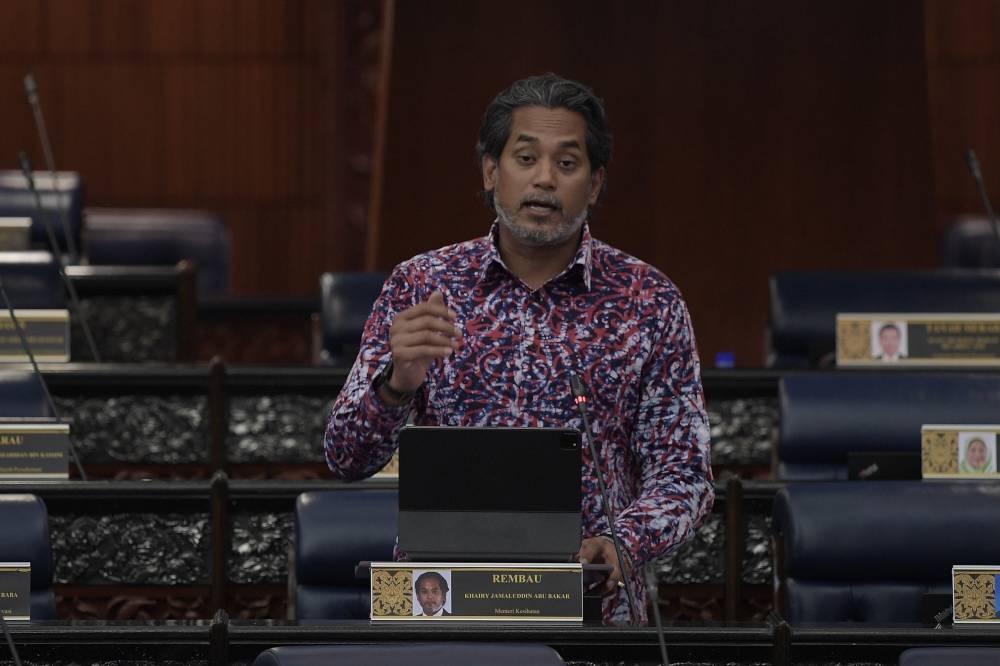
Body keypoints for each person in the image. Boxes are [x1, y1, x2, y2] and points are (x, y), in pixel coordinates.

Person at [325, 73, 714, 625]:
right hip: (441, 602)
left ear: (596, 183)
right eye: (525, 158)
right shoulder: (423, 284)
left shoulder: (647, 300)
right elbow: (344, 458)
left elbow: (685, 473)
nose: (544, 180)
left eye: (567, 163)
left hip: (589, 604)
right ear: (491, 171)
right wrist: (395, 386)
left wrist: (623, 542)